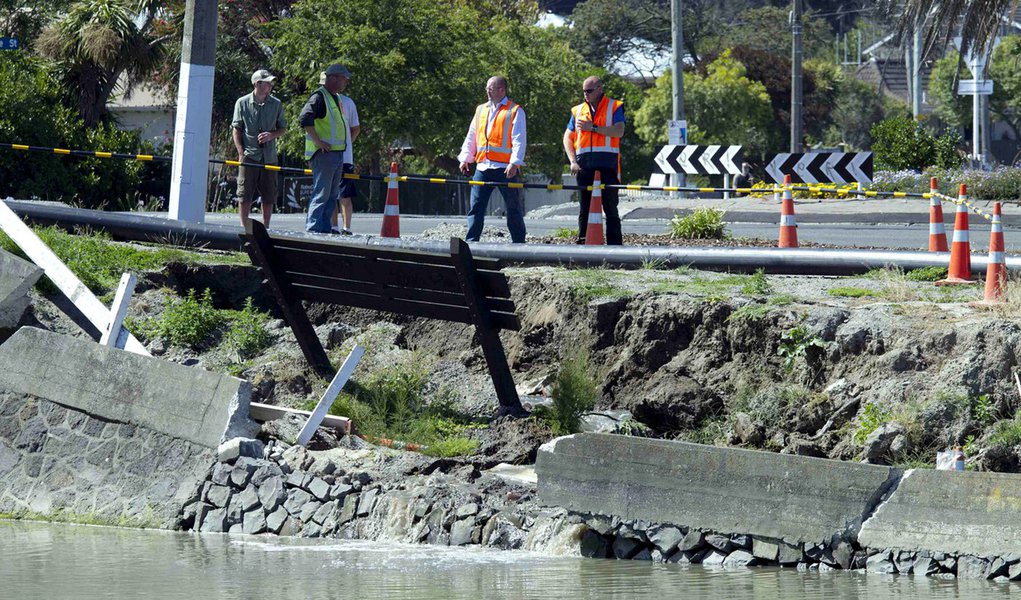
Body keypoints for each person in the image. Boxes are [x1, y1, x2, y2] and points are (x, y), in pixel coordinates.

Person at [457, 75, 527, 243]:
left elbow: (519, 138)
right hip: (482, 167)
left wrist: (515, 162)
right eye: (487, 88)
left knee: (513, 208)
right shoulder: (481, 109)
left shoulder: (515, 110)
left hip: (505, 169)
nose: (487, 91)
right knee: (476, 208)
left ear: (502, 90)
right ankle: (472, 243)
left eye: (491, 88)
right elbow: (472, 135)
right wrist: (465, 158)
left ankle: (519, 244)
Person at [563, 76, 625, 245]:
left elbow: (619, 131)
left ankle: (616, 246)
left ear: (599, 89)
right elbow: (568, 138)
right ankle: (583, 242)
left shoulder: (614, 106)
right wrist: (573, 161)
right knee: (584, 208)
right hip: (584, 166)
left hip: (608, 165)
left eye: (589, 91)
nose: (585, 94)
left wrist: (594, 128)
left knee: (611, 208)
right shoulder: (577, 110)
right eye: (583, 91)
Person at [299, 63, 351, 233]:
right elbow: (305, 118)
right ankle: (313, 229)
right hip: (324, 154)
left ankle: (324, 229)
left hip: (335, 154)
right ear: (333, 78)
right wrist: (318, 142)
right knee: (321, 193)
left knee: (331, 195)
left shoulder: (334, 97)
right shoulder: (320, 97)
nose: (346, 83)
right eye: (344, 79)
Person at [232, 69, 286, 228]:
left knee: (269, 194)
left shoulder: (276, 104)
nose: (270, 85)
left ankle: (266, 227)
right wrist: (240, 152)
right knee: (244, 194)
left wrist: (271, 135)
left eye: (271, 83)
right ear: (257, 84)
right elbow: (236, 129)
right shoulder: (242, 103)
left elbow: (283, 128)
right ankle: (244, 226)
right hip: (249, 156)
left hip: (269, 156)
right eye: (267, 82)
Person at [318, 69, 360, 235]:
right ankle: (334, 227)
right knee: (331, 195)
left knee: (344, 194)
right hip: (328, 155)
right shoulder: (321, 101)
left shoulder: (347, 103)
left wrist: (346, 143)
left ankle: (346, 228)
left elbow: (355, 128)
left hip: (344, 157)